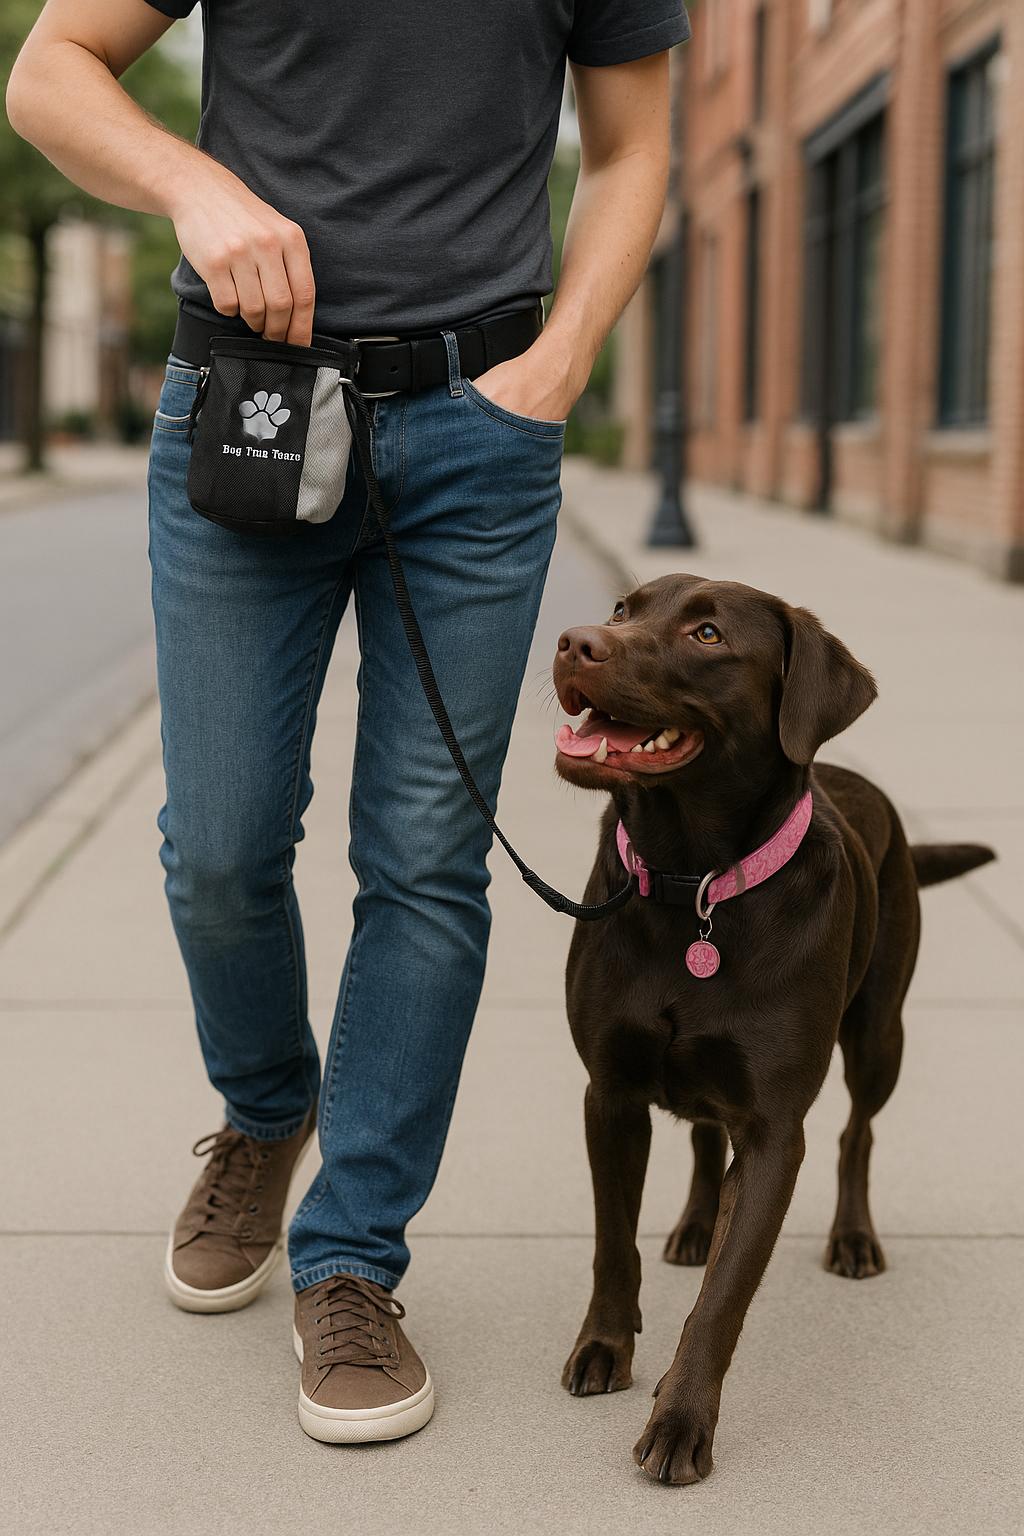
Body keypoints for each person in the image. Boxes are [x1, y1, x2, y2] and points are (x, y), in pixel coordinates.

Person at [7, 0, 689, 1443]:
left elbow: (631, 151)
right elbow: (49, 73)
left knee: (427, 860)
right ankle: (268, 1109)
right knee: (223, 845)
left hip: (478, 433)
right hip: (246, 405)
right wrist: (197, 187)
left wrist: (555, 369)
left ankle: (354, 1257)